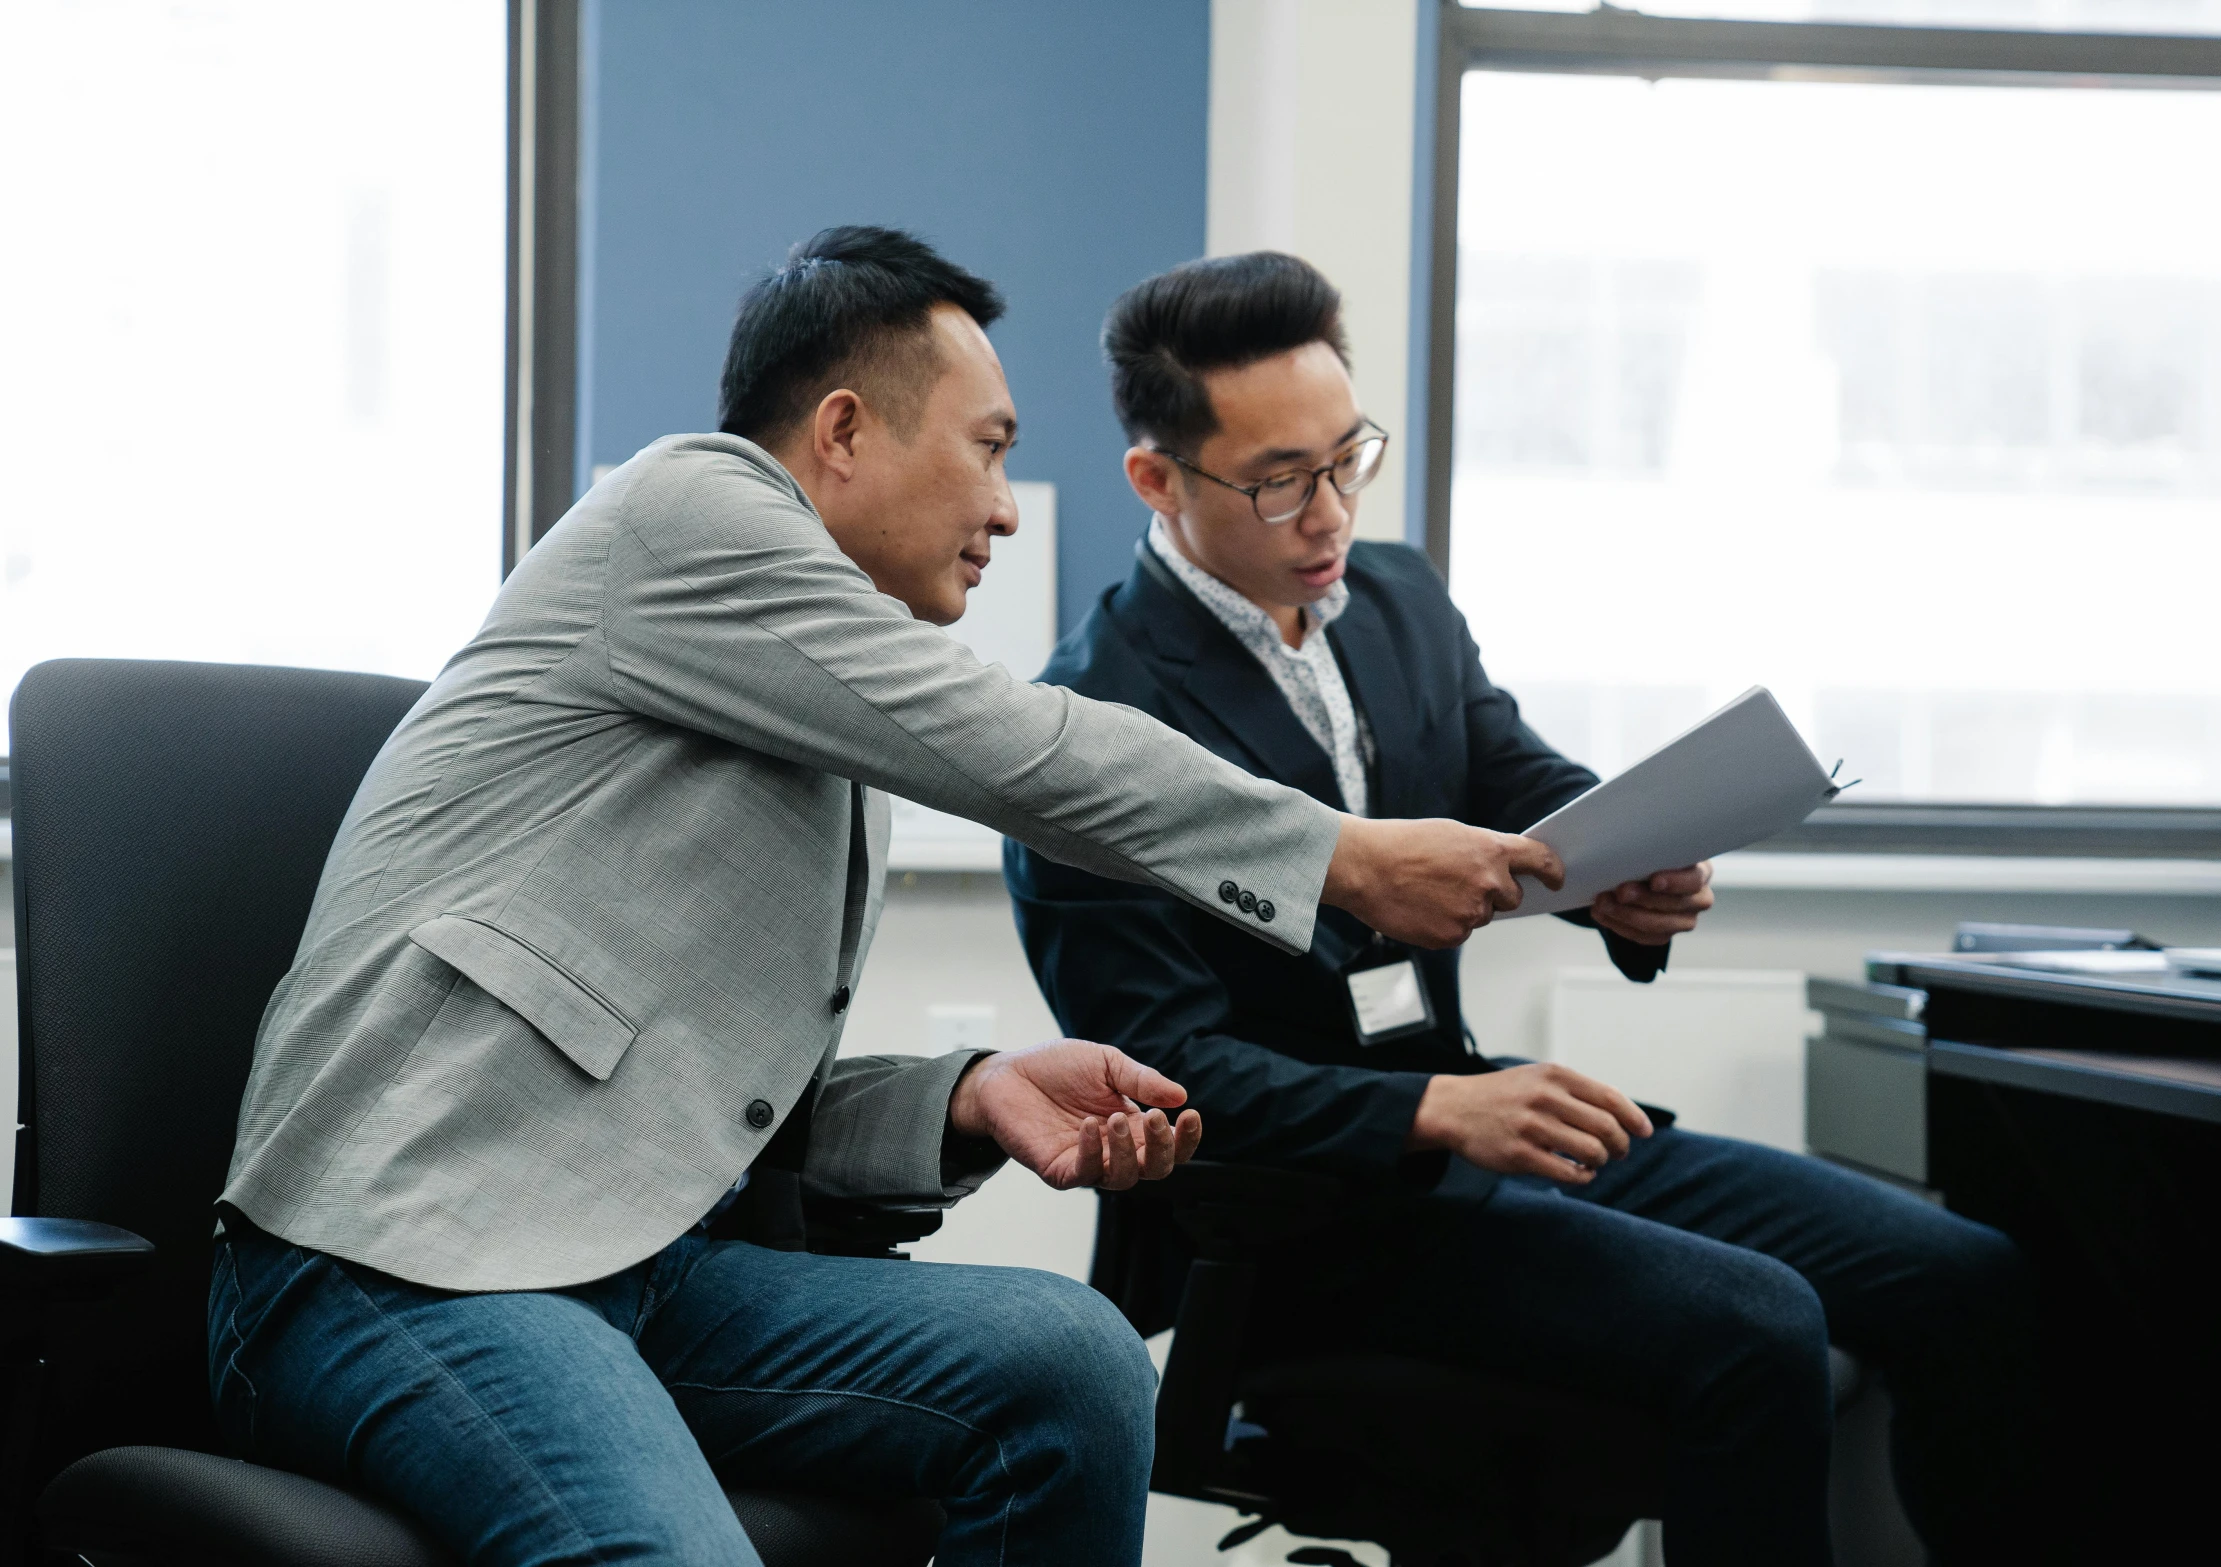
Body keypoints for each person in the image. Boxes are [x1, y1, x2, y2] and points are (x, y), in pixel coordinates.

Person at [209, 228, 1572, 1567]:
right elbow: (1023, 747)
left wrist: (967, 1093)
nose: (1004, 507)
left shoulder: (806, 717)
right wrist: (1343, 852)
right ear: (846, 430)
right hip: (405, 1266)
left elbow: (702, 1102)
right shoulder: (686, 508)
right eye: (988, 448)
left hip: (647, 1272)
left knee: (1071, 1363)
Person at [1004, 251, 2043, 1567]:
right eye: (1279, 479)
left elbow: (1516, 781)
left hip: (1473, 1120)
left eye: (1346, 457)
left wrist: (1632, 875)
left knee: (1964, 1278)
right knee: (1757, 1324)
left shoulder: (1395, 602)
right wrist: (1433, 1111)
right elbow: (1161, 1073)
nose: (1328, 512)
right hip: (1302, 1222)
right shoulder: (1087, 722)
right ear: (1157, 478)